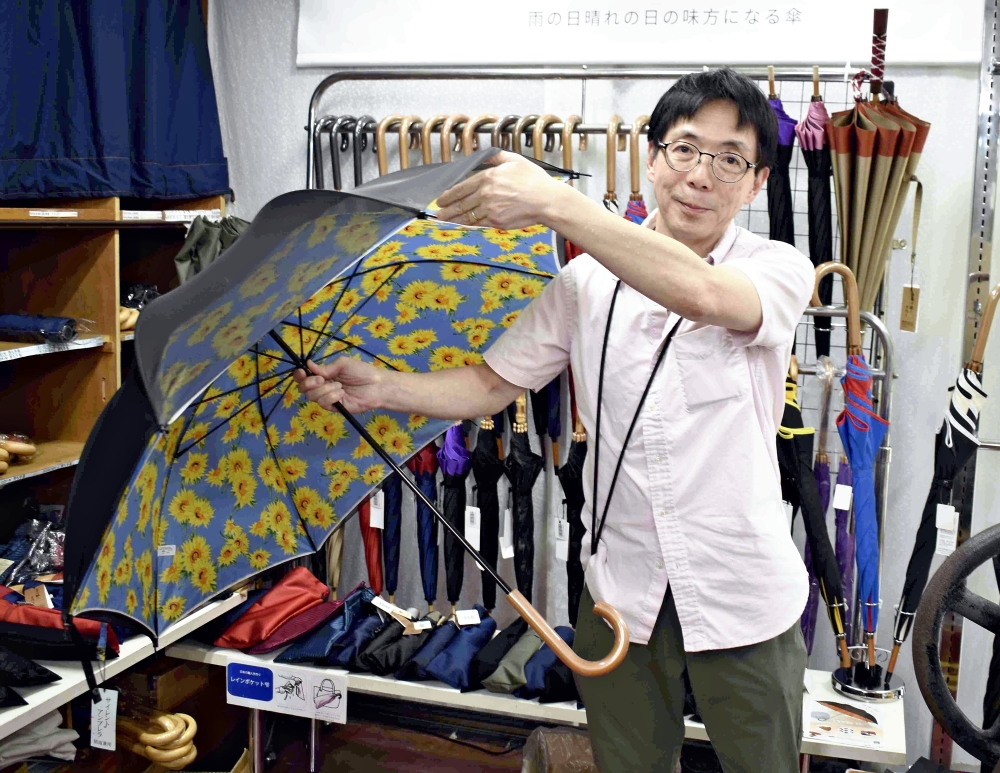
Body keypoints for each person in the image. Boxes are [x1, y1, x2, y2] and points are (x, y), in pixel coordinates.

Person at [295, 68, 813, 773]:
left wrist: (557, 203)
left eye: (730, 160)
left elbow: (703, 295)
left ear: (756, 183)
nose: (701, 175)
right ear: (653, 157)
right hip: (622, 594)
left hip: (742, 593)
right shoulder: (584, 283)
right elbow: (490, 383)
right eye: (686, 149)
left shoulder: (778, 268)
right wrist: (379, 386)